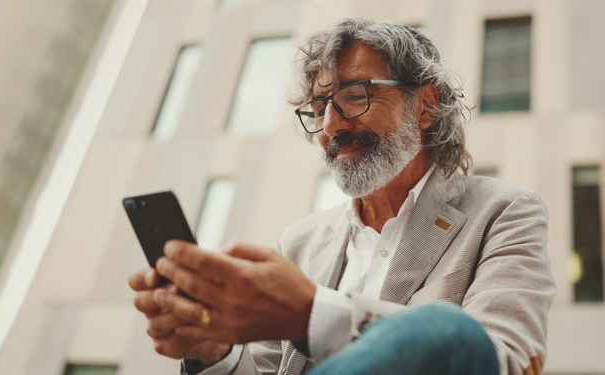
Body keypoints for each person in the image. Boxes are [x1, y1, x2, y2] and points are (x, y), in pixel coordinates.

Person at [129, 17, 555, 375]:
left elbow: (503, 361)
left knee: (453, 333)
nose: (331, 125)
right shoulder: (297, 243)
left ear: (425, 104)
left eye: (355, 96)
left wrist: (312, 315)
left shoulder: (505, 212)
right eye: (318, 109)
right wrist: (216, 353)